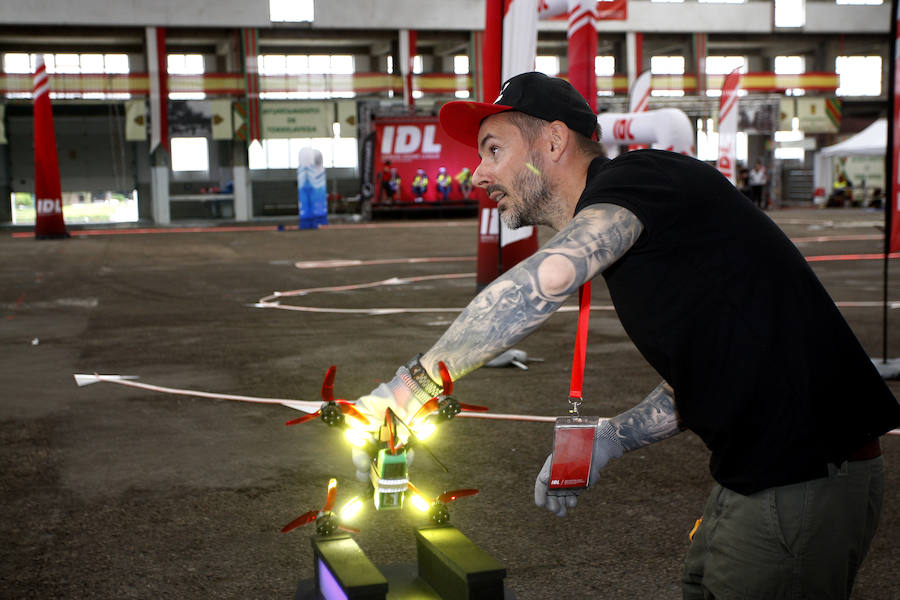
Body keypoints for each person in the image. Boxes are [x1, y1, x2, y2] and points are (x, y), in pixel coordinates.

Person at [351, 72, 899, 599]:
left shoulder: (638, 180)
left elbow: (542, 283)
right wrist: (615, 436)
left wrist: (407, 391)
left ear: (555, 140)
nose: (478, 174)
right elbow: (710, 367)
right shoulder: (646, 224)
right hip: (760, 476)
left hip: (803, 479)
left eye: (493, 150)